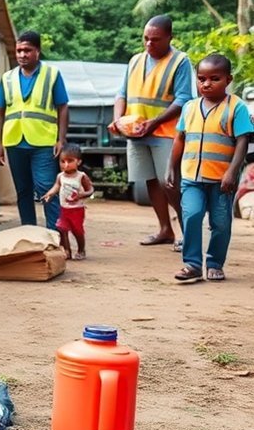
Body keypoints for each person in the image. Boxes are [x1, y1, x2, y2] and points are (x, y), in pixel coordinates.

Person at [166, 54, 252, 282]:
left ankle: (214, 262)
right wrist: (171, 167)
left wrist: (232, 172)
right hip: (192, 177)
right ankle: (192, 264)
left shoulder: (237, 107)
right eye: (201, 78)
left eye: (214, 78)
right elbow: (179, 139)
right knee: (191, 215)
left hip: (222, 179)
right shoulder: (189, 107)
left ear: (228, 79)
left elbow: (243, 140)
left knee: (221, 223)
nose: (206, 83)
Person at [108, 14, 192, 248]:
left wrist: (153, 122)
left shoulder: (180, 61)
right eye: (146, 38)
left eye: (155, 39)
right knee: (151, 181)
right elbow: (121, 94)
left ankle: (189, 233)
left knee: (170, 182)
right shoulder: (135, 60)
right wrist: (118, 120)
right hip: (135, 133)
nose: (149, 44)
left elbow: (184, 98)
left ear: (169, 38)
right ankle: (165, 229)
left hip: (165, 132)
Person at [0, 30, 69, 231]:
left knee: (46, 187)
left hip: (44, 142)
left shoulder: (52, 74)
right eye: (19, 50)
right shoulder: (7, 78)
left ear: (38, 51)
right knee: (23, 191)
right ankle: (30, 234)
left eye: (27, 50)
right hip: (15, 142)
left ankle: (56, 235)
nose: (22, 55)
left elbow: (63, 107)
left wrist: (61, 139)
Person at [41, 144, 93, 260]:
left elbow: (90, 190)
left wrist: (81, 195)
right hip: (64, 209)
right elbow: (56, 186)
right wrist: (49, 194)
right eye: (62, 161)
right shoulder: (60, 176)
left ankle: (81, 250)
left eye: (70, 161)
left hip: (77, 211)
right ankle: (67, 250)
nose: (66, 165)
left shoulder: (81, 176)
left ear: (78, 162)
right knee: (62, 228)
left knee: (77, 231)